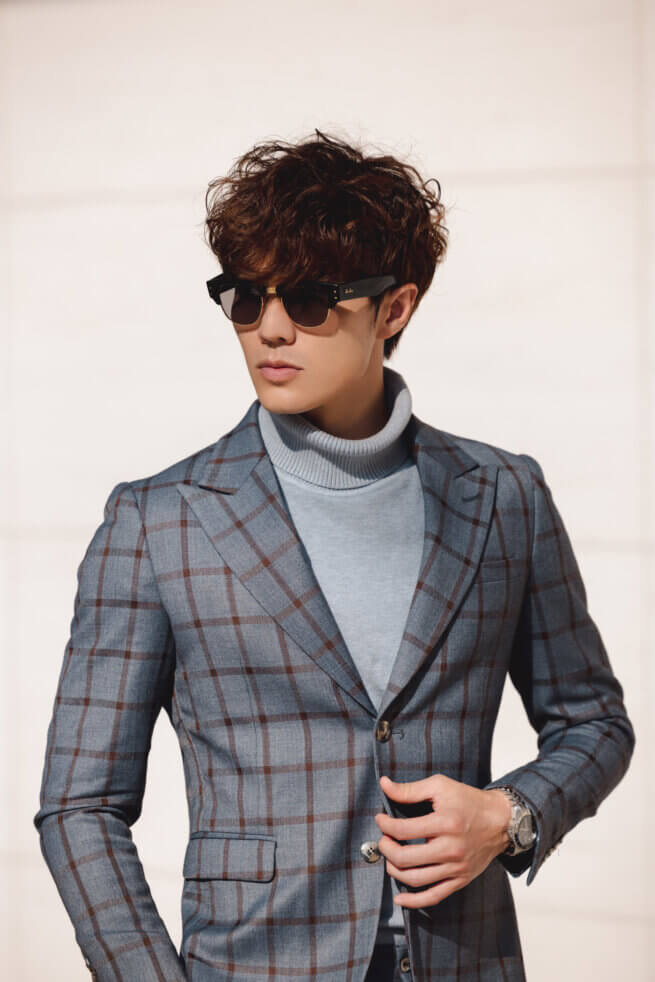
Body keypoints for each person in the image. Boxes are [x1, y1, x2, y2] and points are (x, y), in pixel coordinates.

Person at [33, 129, 635, 982]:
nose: (271, 329)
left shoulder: (503, 496)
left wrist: (509, 815)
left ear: (395, 308)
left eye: (312, 300)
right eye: (247, 298)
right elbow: (80, 806)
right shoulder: (159, 521)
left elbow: (592, 722)